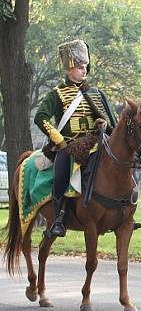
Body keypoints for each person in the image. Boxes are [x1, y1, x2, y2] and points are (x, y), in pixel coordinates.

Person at [34, 39, 116, 238]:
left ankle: (122, 209)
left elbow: (111, 124)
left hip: (96, 143)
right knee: (62, 172)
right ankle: (60, 218)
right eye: (80, 67)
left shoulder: (96, 93)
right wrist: (59, 140)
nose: (84, 71)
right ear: (69, 69)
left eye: (85, 67)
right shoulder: (58, 94)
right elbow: (40, 117)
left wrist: (103, 126)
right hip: (69, 145)